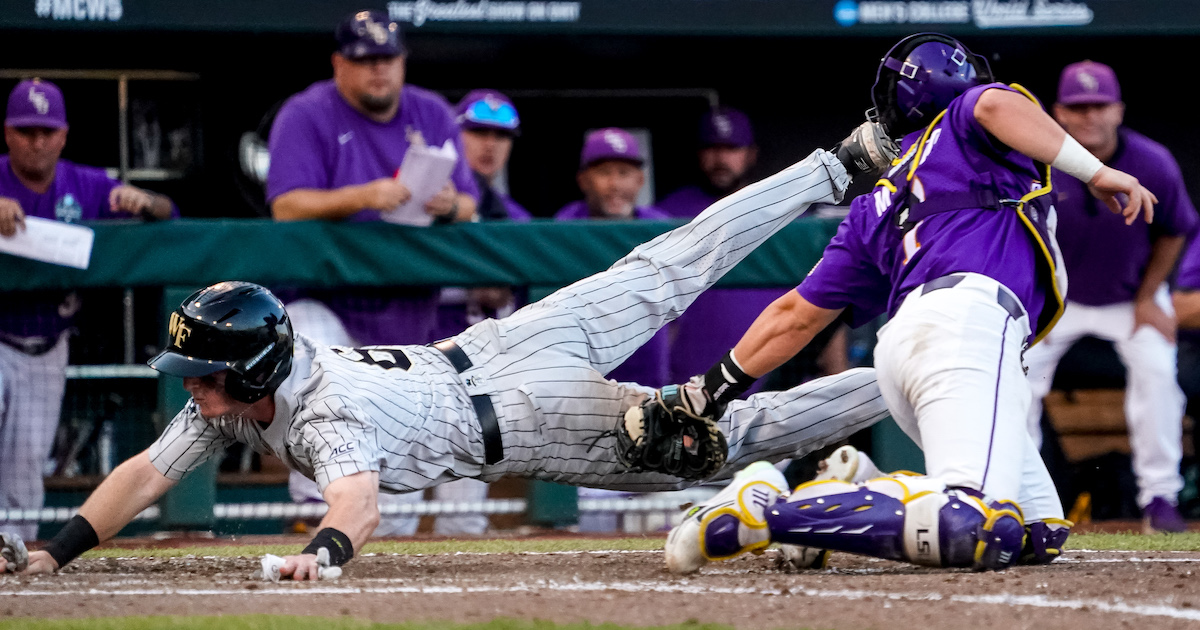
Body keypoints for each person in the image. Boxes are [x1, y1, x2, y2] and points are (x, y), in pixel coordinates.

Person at [2, 127, 899, 577]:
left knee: (735, 435)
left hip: (530, 416)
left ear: (247, 376)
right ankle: (844, 161)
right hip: (514, 341)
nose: (192, 394)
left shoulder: (320, 412)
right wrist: (53, 551)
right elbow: (143, 478)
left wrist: (324, 554)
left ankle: (910, 368)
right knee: (673, 261)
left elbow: (355, 505)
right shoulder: (249, 392)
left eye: (203, 378)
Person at [661, 33, 1157, 575]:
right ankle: (765, 510)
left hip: (907, 348)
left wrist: (707, 393)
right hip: (967, 329)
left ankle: (853, 488)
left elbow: (795, 316)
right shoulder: (969, 119)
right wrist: (1097, 171)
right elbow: (994, 102)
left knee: (1037, 533)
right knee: (973, 524)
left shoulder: (875, 199)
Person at [265, 10, 480, 535]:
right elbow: (286, 206)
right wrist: (365, 195)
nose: (378, 70)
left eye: (387, 59)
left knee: (394, 515)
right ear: (340, 64)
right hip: (328, 299)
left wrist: (451, 205)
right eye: (365, 61)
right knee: (304, 348)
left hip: (412, 309)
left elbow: (471, 204)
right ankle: (309, 508)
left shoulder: (430, 111)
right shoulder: (306, 112)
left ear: (402, 61)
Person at [0, 78, 177, 541]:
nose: (36, 142)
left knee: (24, 473)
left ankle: (10, 559)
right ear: (7, 133)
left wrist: (146, 202)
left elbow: (170, 216)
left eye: (46, 132)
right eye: (25, 131)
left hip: (48, 346)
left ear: (62, 135)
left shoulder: (85, 183)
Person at [1022, 61, 1195, 534]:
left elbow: (1175, 231)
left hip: (1128, 296)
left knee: (1158, 370)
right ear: (1057, 112)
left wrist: (1147, 298)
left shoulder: (1152, 161)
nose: (1088, 117)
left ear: (1118, 110)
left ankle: (1159, 497)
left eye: (1099, 105)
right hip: (1058, 299)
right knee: (1017, 380)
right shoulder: (1037, 159)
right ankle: (1018, 498)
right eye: (1077, 108)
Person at [657, 108, 847, 391]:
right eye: (712, 148)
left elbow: (823, 300)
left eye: (731, 148)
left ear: (750, 154)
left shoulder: (785, 209)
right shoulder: (666, 214)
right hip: (688, 391)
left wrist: (835, 377)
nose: (721, 159)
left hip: (777, 388)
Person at [426, 89, 531, 535]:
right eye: (477, 132)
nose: (490, 144)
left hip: (472, 376)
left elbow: (532, 312)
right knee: (392, 511)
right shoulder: (423, 202)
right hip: (407, 358)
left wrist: (502, 301)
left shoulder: (517, 220)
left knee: (463, 516)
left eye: (501, 135)